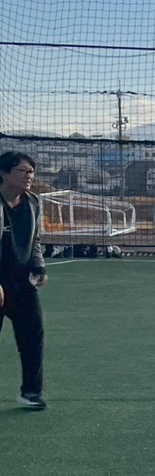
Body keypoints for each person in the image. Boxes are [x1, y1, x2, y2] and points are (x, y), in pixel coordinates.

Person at [0, 152, 48, 410]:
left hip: (21, 283)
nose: (29, 176)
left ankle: (31, 393)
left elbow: (35, 239)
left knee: (33, 334)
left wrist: (39, 267)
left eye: (31, 171)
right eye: (23, 170)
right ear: (4, 173)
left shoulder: (33, 202)